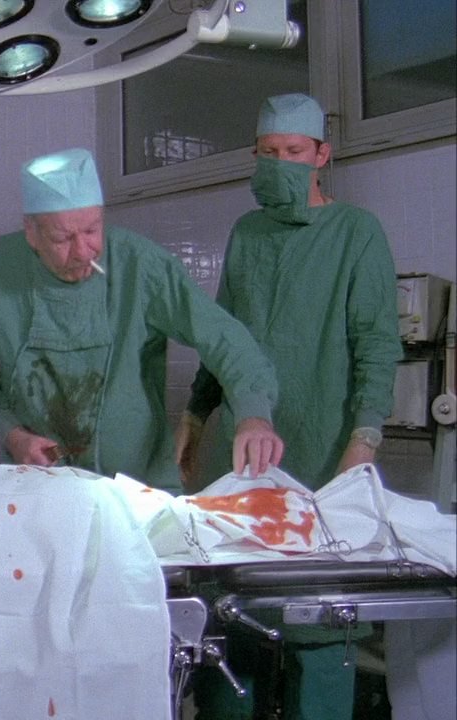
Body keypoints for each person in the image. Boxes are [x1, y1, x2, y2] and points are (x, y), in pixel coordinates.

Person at [177, 93, 403, 720]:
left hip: (325, 447)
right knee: (232, 620)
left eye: (294, 152)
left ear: (322, 155)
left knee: (322, 623)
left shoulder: (356, 232)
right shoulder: (247, 233)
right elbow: (224, 337)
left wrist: (363, 439)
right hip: (244, 454)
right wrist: (195, 415)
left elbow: (377, 344)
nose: (281, 163)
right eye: (269, 152)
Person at [0, 148, 284, 493]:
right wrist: (12, 434)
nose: (83, 252)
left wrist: (253, 413)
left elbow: (223, 338)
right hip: (34, 484)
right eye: (62, 238)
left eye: (92, 230)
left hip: (138, 488)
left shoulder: (139, 264)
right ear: (31, 233)